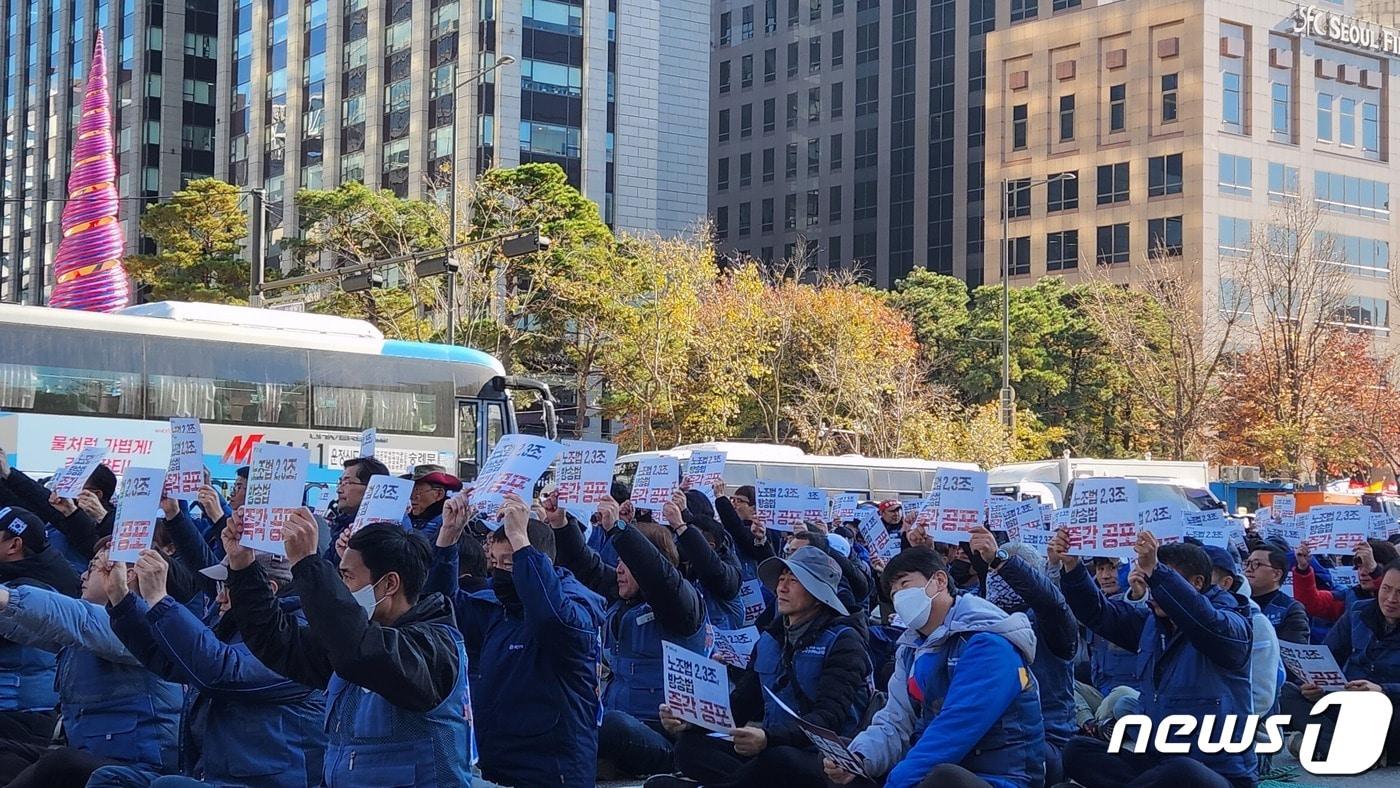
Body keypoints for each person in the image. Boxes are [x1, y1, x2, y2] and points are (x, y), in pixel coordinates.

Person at [223, 511, 472, 786]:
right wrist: (243, 566)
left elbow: (361, 653)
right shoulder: (354, 641)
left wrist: (307, 564)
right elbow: (277, 641)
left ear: (389, 584)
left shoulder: (432, 648)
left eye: (347, 577)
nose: (342, 589)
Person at [90, 548, 327, 787]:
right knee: (111, 779)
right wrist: (122, 600)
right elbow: (172, 660)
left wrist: (160, 600)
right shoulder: (230, 626)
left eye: (226, 587)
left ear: (267, 589)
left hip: (271, 783)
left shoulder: (300, 637)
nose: (219, 598)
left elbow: (223, 673)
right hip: (213, 776)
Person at [651, 546, 871, 788]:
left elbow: (828, 719)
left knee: (778, 759)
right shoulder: (769, 639)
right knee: (690, 746)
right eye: (781, 579)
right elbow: (743, 703)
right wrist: (691, 719)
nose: (782, 588)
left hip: (825, 760)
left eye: (794, 581)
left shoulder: (844, 641)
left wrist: (768, 738)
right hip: (772, 747)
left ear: (818, 595)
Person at [825, 546, 1045, 788]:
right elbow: (895, 718)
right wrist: (860, 758)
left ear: (939, 581)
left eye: (904, 584)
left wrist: (896, 782)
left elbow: (953, 730)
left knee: (944, 779)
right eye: (893, 592)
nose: (898, 597)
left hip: (998, 777)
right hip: (935, 768)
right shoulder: (910, 648)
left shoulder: (989, 645)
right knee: (842, 764)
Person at [426, 492, 607, 786]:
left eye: (509, 563)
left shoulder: (577, 604)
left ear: (540, 561)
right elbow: (439, 607)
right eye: (494, 562)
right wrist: (448, 536)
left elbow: (552, 620)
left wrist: (521, 539)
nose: (498, 572)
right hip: (496, 759)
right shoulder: (495, 607)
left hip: (554, 767)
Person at [1057, 530, 1256, 788]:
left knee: (1181, 772)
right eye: (1151, 580)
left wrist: (1158, 571)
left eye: (1159, 579)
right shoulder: (1153, 625)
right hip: (1157, 760)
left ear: (1196, 583)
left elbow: (1204, 621)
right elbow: (1100, 614)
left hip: (1217, 774)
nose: (1153, 591)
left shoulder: (1232, 626)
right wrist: (1072, 567)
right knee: (1078, 751)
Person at [0, 543, 180, 787]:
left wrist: (7, 597)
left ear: (125, 576)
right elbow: (30, 626)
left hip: (138, 770)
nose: (83, 576)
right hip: (87, 752)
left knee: (59, 765)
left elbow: (78, 620)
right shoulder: (89, 630)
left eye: (94, 568)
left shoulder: (143, 626)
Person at [554, 495, 708, 778]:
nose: (620, 569)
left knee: (611, 726)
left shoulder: (681, 605)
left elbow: (657, 576)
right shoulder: (624, 597)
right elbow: (587, 566)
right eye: (619, 562)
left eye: (628, 562)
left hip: (667, 740)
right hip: (619, 727)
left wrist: (619, 530)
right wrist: (560, 523)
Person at [970, 529, 1077, 781]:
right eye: (995, 575)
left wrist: (1001, 560)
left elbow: (1051, 603)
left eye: (1013, 573)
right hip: (991, 736)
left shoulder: (1052, 624)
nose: (1000, 580)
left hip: (1047, 740)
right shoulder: (978, 623)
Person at [1279, 558, 1400, 765]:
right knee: (1285, 692)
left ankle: (1326, 746)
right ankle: (1354, 750)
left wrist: (1382, 690)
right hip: (1345, 701)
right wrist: (1312, 684)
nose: (1390, 598)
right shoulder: (1358, 612)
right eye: (1386, 589)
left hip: (1389, 708)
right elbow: (1327, 655)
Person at [0, 447, 117, 565]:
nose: (65, 489)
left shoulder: (111, 527)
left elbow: (90, 542)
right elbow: (38, 498)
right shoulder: (63, 514)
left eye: (74, 486)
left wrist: (100, 517)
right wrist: (8, 474)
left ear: (96, 494)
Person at [1243, 546, 1310, 644]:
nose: (1248, 569)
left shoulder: (1290, 609)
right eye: (1247, 563)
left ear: (1277, 574)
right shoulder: (1234, 601)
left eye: (1256, 564)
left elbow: (1293, 651)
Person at [406, 467, 461, 542]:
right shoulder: (409, 517)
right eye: (410, 490)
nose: (412, 497)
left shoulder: (448, 523)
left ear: (438, 494)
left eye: (417, 491)